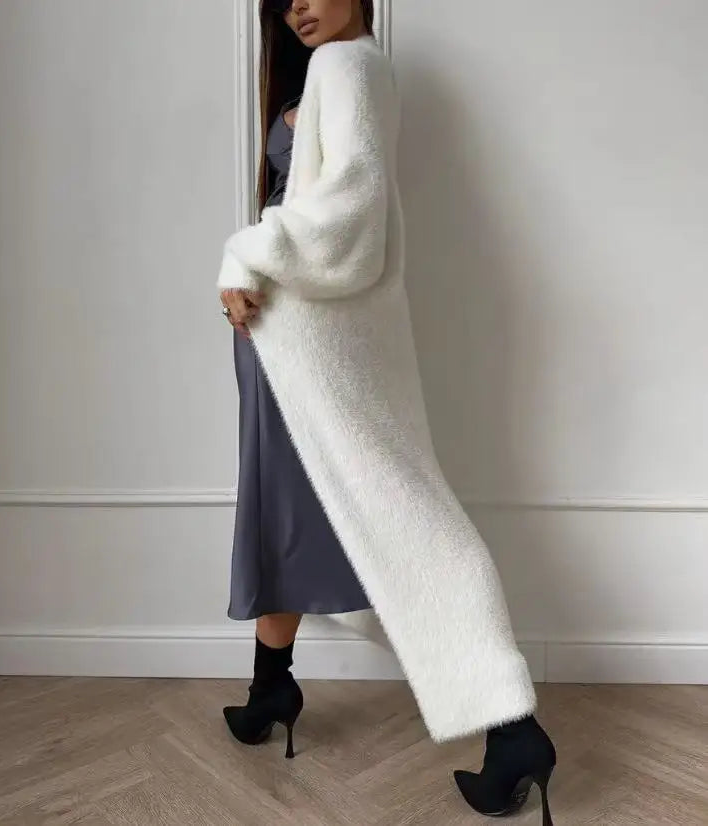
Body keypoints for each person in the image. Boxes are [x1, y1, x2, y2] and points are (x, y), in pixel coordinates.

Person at [216, 1, 557, 822]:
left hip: (313, 345)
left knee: (406, 517)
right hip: (286, 340)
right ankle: (270, 690)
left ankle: (512, 728)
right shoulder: (331, 71)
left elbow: (353, 212)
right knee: (284, 513)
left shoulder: (349, 65)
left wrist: (245, 251)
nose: (297, 6)